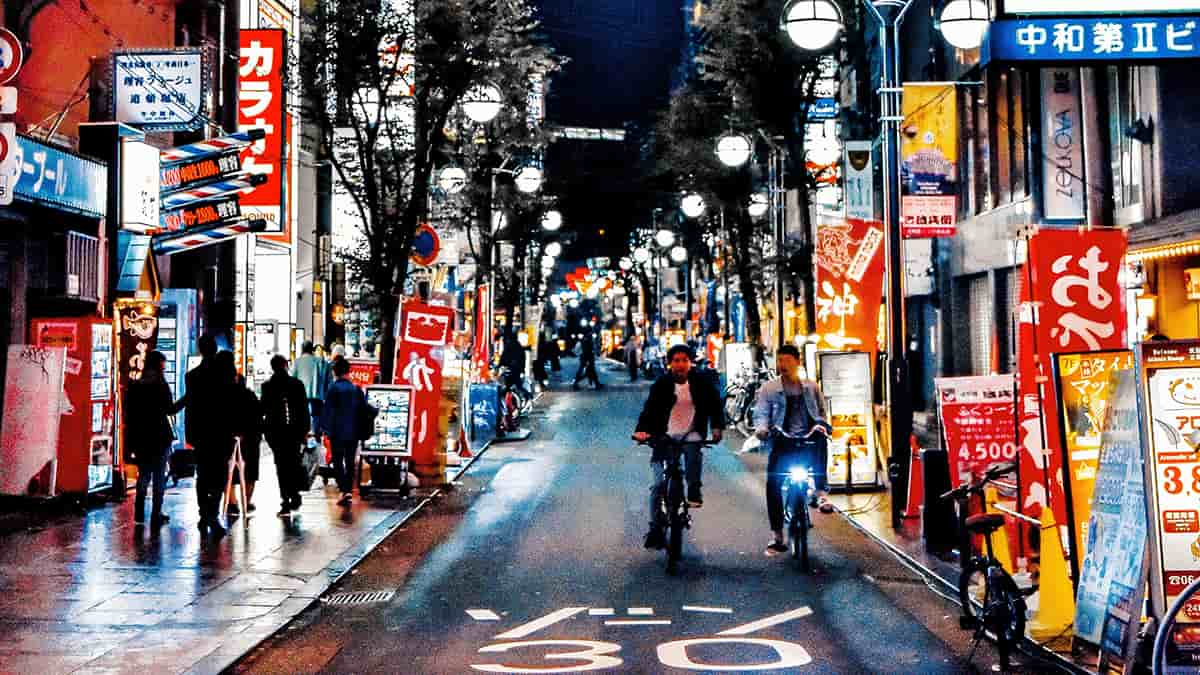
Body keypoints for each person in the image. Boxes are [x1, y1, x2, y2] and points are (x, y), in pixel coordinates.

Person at [633, 344, 725, 549]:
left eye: (684, 360)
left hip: (691, 434)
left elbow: (715, 406)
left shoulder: (701, 383)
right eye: (676, 360)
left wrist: (717, 427)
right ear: (670, 363)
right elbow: (649, 410)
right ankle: (655, 527)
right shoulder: (662, 384)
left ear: (690, 362)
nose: (680, 364)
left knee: (693, 455)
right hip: (663, 437)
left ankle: (694, 491)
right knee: (658, 485)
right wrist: (641, 431)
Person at [754, 344, 832, 556]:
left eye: (787, 360)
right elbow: (761, 413)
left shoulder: (811, 387)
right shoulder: (769, 388)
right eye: (779, 361)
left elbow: (822, 412)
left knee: (820, 443)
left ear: (797, 362)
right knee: (774, 483)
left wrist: (822, 426)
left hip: (807, 438)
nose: (782, 365)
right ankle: (778, 534)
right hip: (782, 440)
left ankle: (821, 492)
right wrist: (762, 429)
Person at [176, 335, 227, 538]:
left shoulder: (192, 375)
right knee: (219, 476)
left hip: (199, 433)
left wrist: (171, 409)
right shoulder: (223, 374)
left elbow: (189, 400)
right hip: (219, 431)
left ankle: (203, 514)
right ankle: (211, 514)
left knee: (203, 476)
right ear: (214, 350)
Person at [125, 351, 175, 529]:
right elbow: (170, 409)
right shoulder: (160, 385)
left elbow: (129, 413)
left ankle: (139, 514)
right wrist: (187, 399)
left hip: (141, 436)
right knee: (159, 477)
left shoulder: (136, 385)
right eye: (164, 364)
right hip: (160, 435)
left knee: (144, 474)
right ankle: (156, 514)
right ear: (159, 365)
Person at [261, 354, 311, 517]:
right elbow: (304, 410)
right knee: (294, 462)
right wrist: (305, 431)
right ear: (285, 365)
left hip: (275, 433)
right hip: (294, 432)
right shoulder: (297, 384)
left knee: (281, 466)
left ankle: (285, 500)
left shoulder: (267, 386)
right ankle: (295, 494)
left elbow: (263, 409)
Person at [321, 356, 369, 506]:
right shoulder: (356, 389)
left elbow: (328, 411)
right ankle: (348, 489)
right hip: (353, 432)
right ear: (348, 371)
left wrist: (325, 429)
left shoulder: (333, 389)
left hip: (337, 432)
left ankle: (343, 490)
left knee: (337, 461)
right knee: (349, 461)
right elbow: (364, 410)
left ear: (335, 372)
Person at [225, 367, 263, 516]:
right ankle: (246, 502)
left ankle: (232, 502)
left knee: (230, 472)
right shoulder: (250, 395)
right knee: (251, 473)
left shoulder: (225, 397)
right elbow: (259, 415)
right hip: (251, 440)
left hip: (230, 439)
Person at [292, 340, 333, 439]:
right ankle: (315, 434)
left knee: (301, 415)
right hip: (316, 394)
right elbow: (327, 378)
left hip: (300, 395)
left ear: (302, 349)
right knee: (316, 415)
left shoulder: (297, 362)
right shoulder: (319, 361)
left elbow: (293, 378)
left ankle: (303, 435)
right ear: (312, 350)